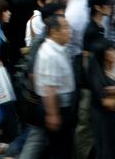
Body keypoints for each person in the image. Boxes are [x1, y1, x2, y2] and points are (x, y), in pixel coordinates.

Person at [33, 15, 76, 159]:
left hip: (63, 106)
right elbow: (49, 87)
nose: (69, 31)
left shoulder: (60, 48)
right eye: (65, 27)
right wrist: (53, 115)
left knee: (63, 147)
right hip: (56, 107)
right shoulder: (49, 54)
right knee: (59, 149)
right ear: (54, 32)